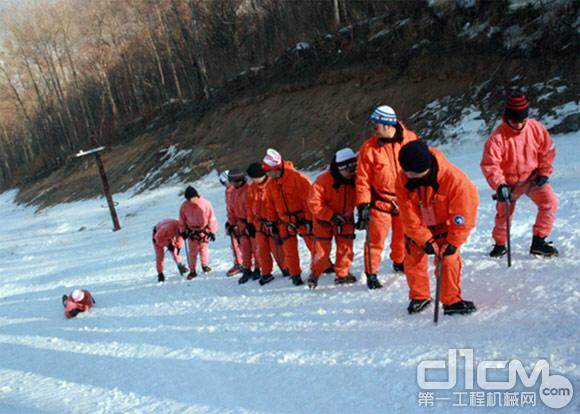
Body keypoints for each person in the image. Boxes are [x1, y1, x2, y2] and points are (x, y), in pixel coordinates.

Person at [395, 140, 478, 315]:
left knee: (448, 259)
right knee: (412, 255)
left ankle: (451, 301)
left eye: (415, 174)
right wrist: (424, 239)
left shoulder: (455, 180)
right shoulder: (403, 178)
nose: (411, 178)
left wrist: (454, 241)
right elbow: (407, 215)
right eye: (408, 173)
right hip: (420, 225)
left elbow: (463, 215)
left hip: (446, 226)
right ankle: (419, 296)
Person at [481, 92, 559, 258]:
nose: (518, 125)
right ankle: (500, 244)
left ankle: (539, 241)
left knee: (550, 202)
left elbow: (547, 151)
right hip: (508, 183)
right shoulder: (497, 138)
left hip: (532, 178)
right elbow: (490, 165)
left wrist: (544, 172)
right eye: (514, 121)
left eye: (522, 121)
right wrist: (500, 185)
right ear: (507, 117)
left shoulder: (535, 128)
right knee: (504, 214)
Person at [355, 105, 418, 289]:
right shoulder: (369, 148)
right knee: (375, 240)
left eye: (376, 126)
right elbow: (362, 180)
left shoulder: (410, 139)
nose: (373, 130)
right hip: (380, 202)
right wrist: (363, 204)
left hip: (405, 199)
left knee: (402, 236)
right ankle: (371, 272)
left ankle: (399, 261)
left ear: (388, 125)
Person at [262, 148, 321, 286]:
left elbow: (309, 199)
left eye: (269, 171)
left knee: (313, 244)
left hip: (302, 218)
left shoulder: (297, 178)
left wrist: (308, 219)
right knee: (289, 250)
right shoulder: (270, 185)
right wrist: (271, 222)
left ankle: (322, 266)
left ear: (277, 168)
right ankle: (295, 274)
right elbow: (270, 205)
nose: (267, 175)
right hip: (285, 221)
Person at [307, 148, 358, 289]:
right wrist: (330, 216)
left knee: (346, 248)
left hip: (345, 219)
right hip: (324, 220)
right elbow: (313, 203)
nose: (353, 172)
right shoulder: (323, 181)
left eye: (355, 168)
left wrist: (362, 213)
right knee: (321, 251)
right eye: (350, 170)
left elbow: (361, 197)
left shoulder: (356, 180)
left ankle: (342, 274)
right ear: (341, 168)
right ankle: (315, 274)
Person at [246, 162, 287, 286]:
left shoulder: (272, 184)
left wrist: (275, 221)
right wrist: (249, 223)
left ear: (261, 175)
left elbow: (277, 204)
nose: (253, 180)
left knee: (277, 248)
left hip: (273, 222)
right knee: (261, 250)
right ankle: (266, 272)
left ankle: (285, 268)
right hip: (259, 224)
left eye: (254, 177)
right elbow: (249, 206)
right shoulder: (252, 188)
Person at [227, 169, 260, 284]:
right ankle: (246, 269)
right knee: (245, 249)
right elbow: (231, 210)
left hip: (251, 223)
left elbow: (253, 208)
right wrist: (231, 224)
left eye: (235, 181)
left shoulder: (249, 189)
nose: (233, 184)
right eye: (231, 181)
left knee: (256, 247)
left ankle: (258, 268)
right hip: (240, 224)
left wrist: (251, 223)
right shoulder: (232, 193)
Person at [178, 186, 218, 279]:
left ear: (196, 196)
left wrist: (212, 231)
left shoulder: (206, 204)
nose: (190, 200)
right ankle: (192, 270)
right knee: (192, 252)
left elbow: (212, 218)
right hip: (191, 231)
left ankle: (204, 265)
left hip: (204, 230)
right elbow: (181, 220)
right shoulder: (184, 206)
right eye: (188, 199)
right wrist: (183, 231)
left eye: (191, 198)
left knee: (203, 249)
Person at [220, 170, 243, 276]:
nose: (225, 185)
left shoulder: (233, 191)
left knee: (237, 243)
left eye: (225, 182)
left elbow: (233, 207)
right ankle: (242, 262)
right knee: (237, 243)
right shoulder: (229, 190)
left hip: (239, 220)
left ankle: (240, 263)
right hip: (234, 219)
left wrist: (232, 222)